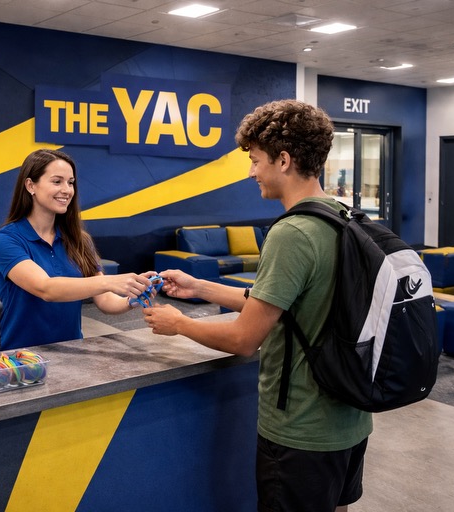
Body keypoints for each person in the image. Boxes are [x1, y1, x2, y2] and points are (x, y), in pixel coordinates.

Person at [142, 100, 372, 512]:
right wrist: (201, 287)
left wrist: (178, 324)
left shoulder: (291, 233)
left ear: (283, 160)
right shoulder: (344, 217)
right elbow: (287, 303)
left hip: (300, 429)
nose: (251, 172)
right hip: (350, 420)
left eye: (255, 160)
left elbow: (244, 339)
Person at [0, 148, 154, 350]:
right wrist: (110, 281)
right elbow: (46, 288)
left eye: (71, 182)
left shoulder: (80, 240)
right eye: (57, 182)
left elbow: (104, 300)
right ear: (30, 185)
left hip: (72, 352)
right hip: (22, 357)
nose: (67, 190)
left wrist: (131, 299)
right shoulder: (6, 240)